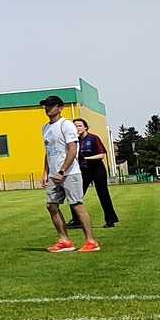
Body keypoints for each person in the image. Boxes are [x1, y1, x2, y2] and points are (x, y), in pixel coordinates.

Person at [38, 95, 99, 253]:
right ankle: (64, 240)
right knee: (51, 205)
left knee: (76, 205)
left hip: (70, 173)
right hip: (54, 174)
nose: (47, 108)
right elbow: (48, 152)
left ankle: (91, 241)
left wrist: (62, 171)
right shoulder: (45, 128)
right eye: (46, 105)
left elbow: (72, 150)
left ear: (60, 108)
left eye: (51, 106)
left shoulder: (66, 126)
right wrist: (46, 172)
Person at [71, 117, 119, 229]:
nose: (77, 128)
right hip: (83, 170)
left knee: (103, 194)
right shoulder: (75, 141)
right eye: (75, 126)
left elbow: (101, 155)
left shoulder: (93, 138)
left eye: (79, 126)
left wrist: (86, 158)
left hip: (97, 169)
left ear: (85, 127)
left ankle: (110, 220)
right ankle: (76, 220)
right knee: (76, 195)